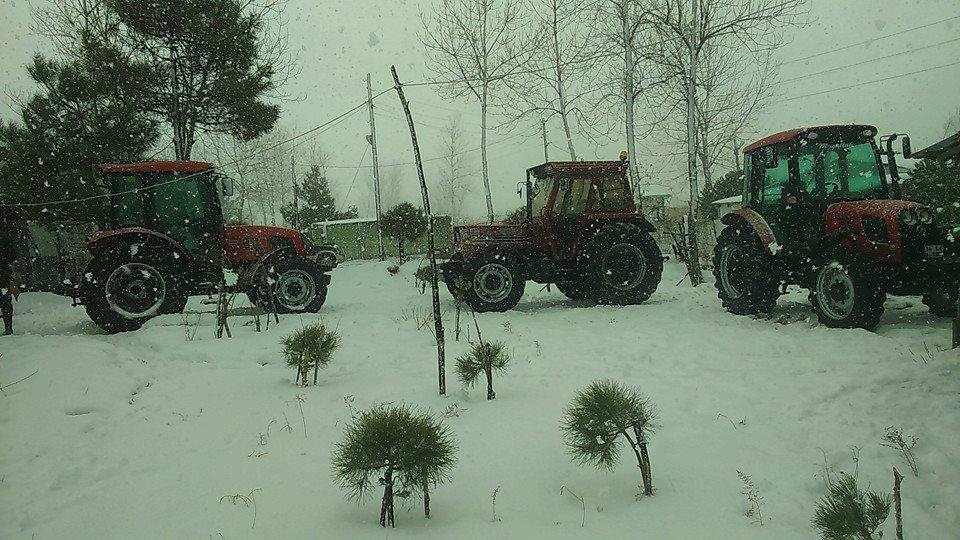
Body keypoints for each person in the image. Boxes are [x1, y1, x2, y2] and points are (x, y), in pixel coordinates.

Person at [0, 206, 23, 335]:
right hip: (3, 270)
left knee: (5, 298)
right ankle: (8, 327)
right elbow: (13, 253)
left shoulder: (6, 232)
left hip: (3, 269)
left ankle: (8, 327)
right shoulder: (7, 232)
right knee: (5, 298)